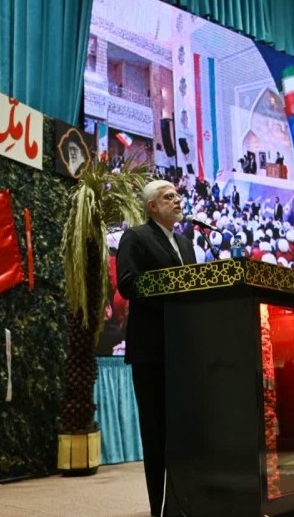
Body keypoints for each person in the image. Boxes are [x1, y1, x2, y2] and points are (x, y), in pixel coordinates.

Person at [116, 179, 197, 517]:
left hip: (184, 352)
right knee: (155, 434)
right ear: (151, 206)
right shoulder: (136, 237)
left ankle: (185, 504)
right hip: (151, 351)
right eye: (168, 197)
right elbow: (128, 284)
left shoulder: (186, 244)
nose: (177, 201)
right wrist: (174, 294)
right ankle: (158, 510)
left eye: (177, 196)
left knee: (185, 433)